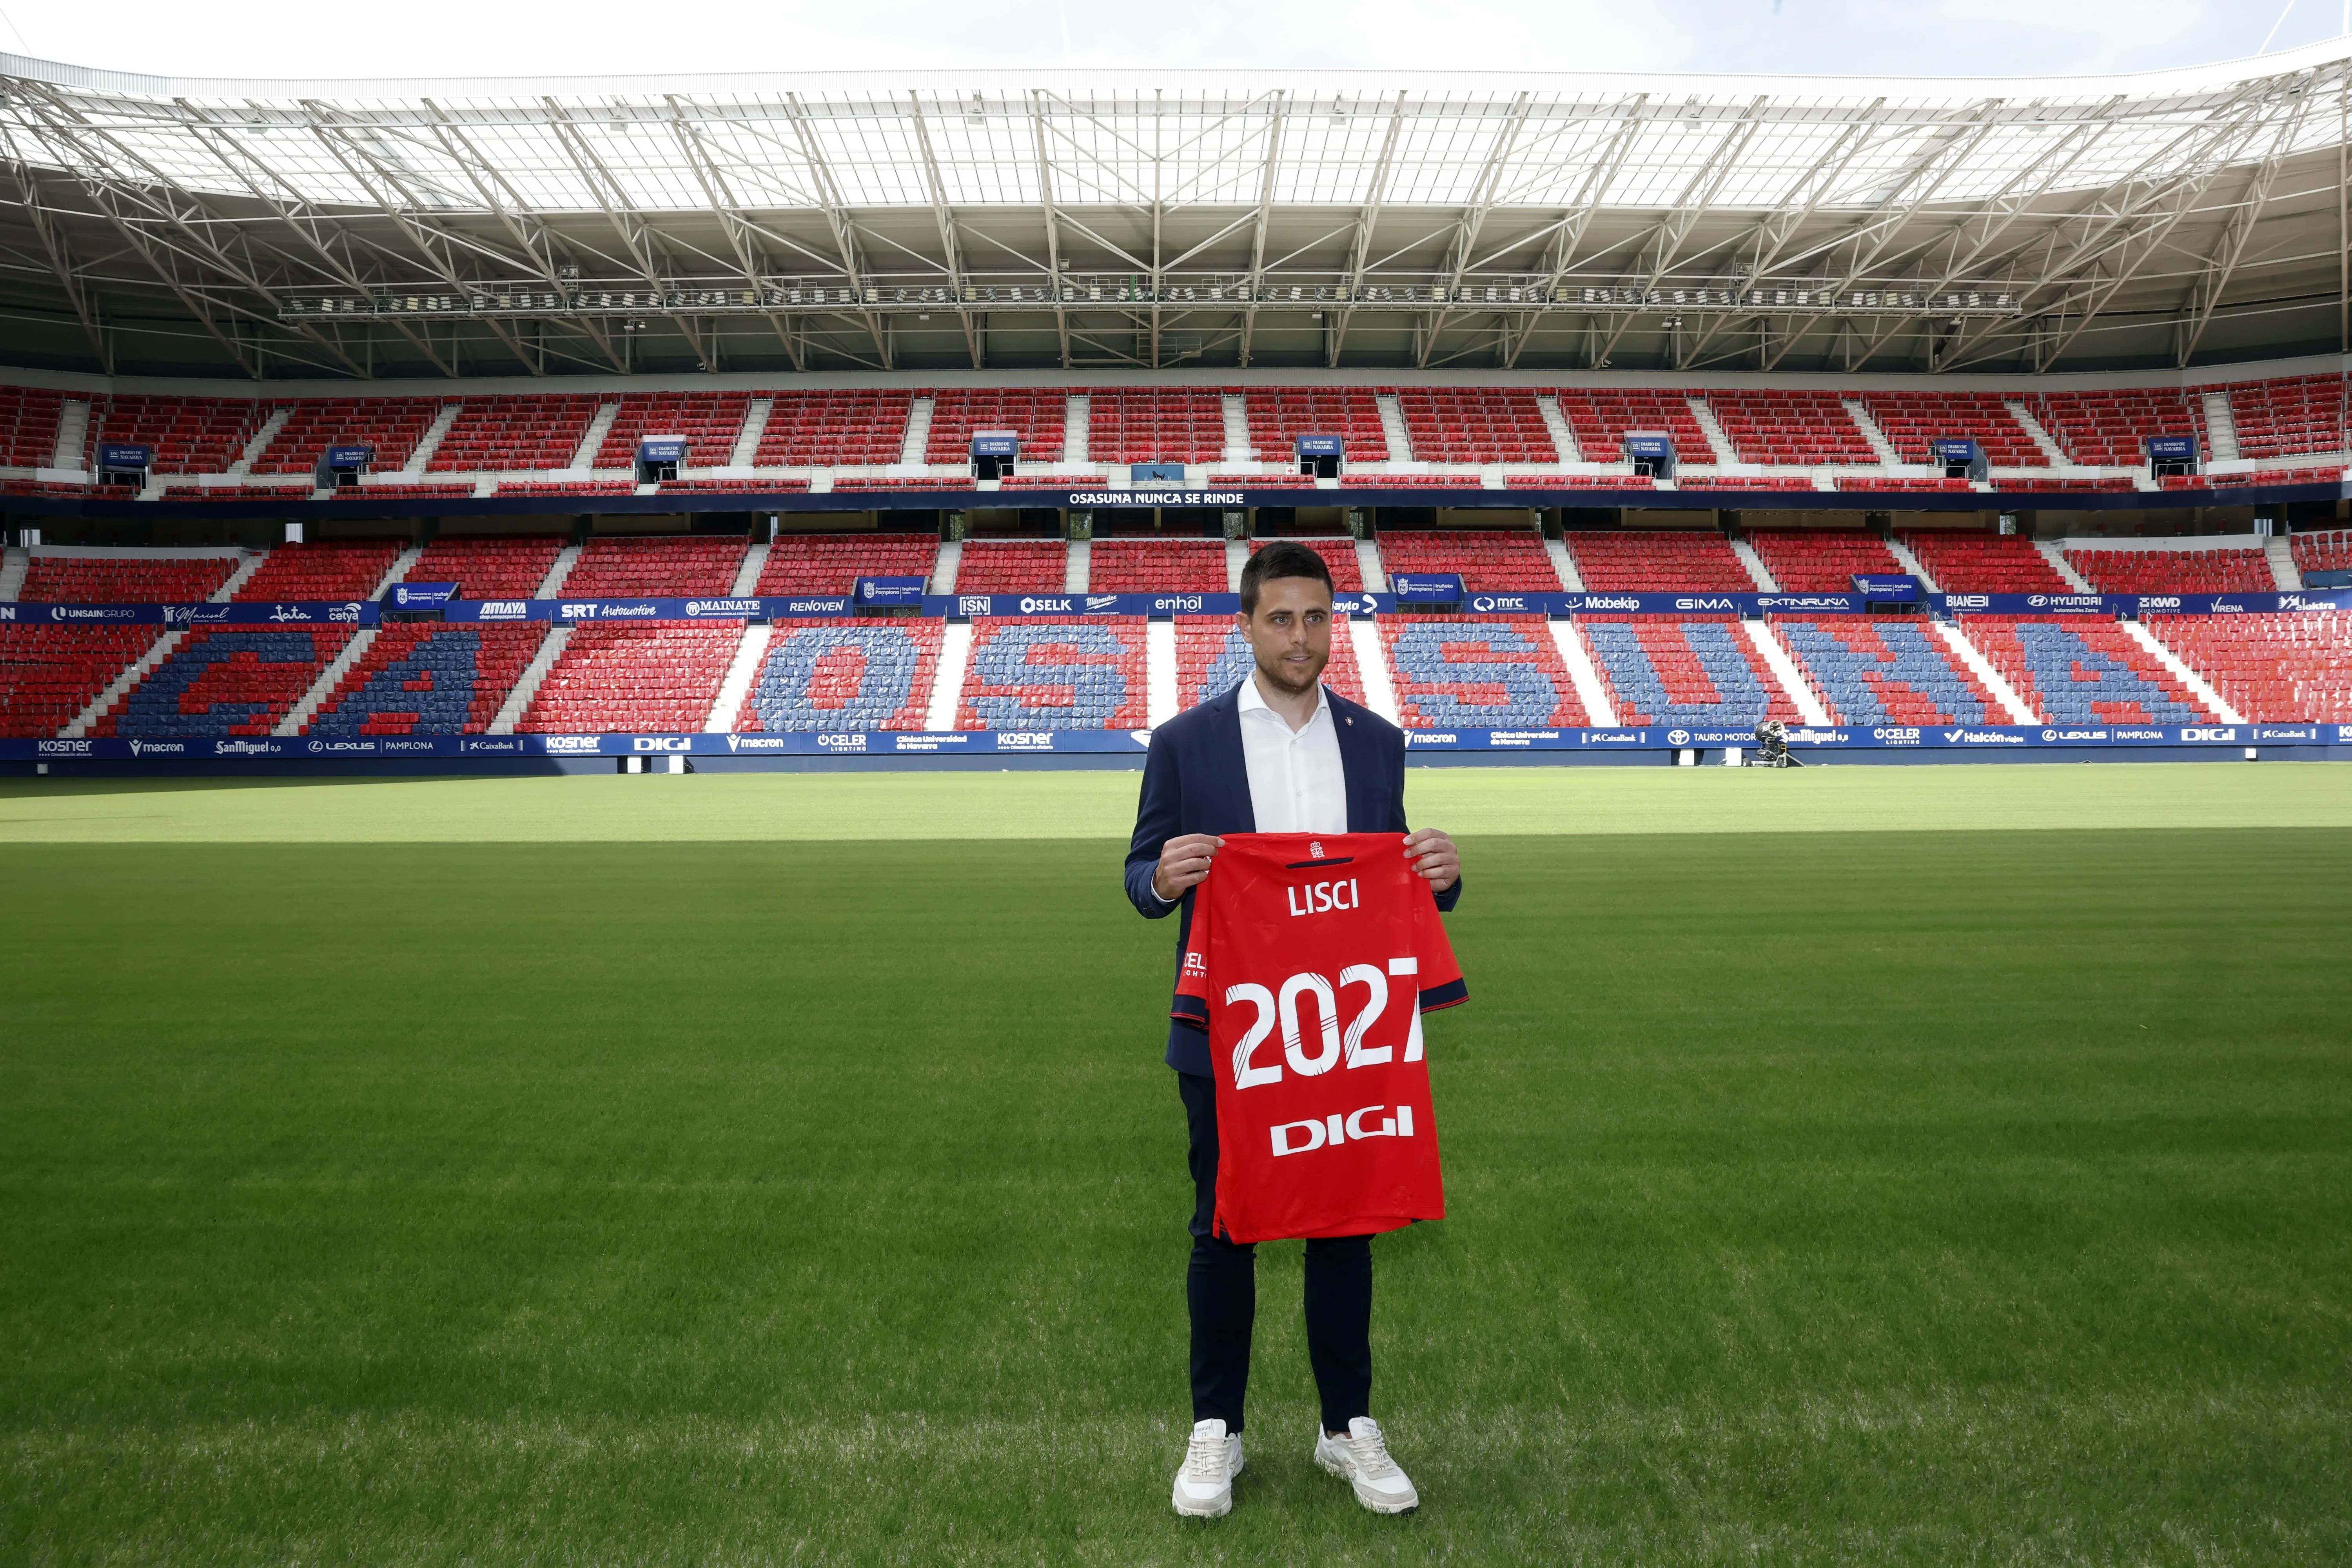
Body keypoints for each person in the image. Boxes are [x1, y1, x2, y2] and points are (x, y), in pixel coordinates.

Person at [1124, 539, 1463, 1519]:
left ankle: (1345, 1425)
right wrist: (1165, 876)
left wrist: (1442, 872)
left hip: (1345, 1039)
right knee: (1222, 1226)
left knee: (1344, 1226)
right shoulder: (1185, 742)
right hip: (1230, 1030)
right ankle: (1216, 1431)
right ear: (1248, 624)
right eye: (1282, 618)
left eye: (1317, 617)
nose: (1302, 636)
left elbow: (1395, 886)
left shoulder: (1375, 739)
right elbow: (1140, 877)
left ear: (1333, 624)